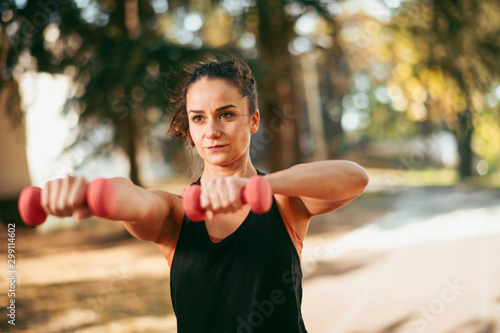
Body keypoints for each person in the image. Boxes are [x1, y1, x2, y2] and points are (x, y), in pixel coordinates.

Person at [40, 57, 369, 332]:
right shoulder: (175, 214)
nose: (211, 131)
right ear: (190, 129)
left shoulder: (283, 201)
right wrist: (89, 194)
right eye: (198, 118)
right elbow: (132, 198)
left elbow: (354, 177)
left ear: (253, 120)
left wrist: (254, 188)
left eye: (226, 114)